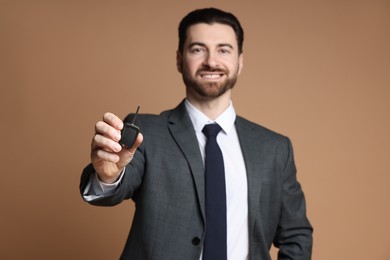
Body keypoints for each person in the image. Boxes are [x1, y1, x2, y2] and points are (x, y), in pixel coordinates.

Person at [80, 7, 313, 260]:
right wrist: (107, 176)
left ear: (240, 61)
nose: (211, 61)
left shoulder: (275, 148)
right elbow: (115, 186)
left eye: (224, 50)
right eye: (198, 49)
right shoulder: (146, 132)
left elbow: (296, 235)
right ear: (179, 60)